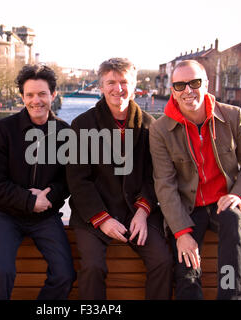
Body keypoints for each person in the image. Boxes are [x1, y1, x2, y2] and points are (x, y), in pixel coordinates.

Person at [149, 59, 241, 300]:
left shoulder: (232, 116)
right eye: (180, 85)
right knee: (186, 271)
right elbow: (165, 184)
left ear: (207, 84)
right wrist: (181, 232)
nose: (187, 91)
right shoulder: (160, 130)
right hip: (188, 209)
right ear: (173, 91)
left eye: (194, 82)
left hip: (225, 202)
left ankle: (231, 297)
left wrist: (239, 193)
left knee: (234, 219)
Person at [66, 57, 173, 300]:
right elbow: (78, 180)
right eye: (111, 82)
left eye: (124, 82)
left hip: (136, 212)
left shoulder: (149, 125)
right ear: (101, 86)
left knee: (162, 262)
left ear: (134, 85)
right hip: (93, 214)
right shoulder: (82, 125)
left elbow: (154, 175)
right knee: (93, 267)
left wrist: (143, 211)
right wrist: (102, 219)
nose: (118, 88)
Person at [0, 64, 76, 300]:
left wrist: (49, 197)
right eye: (30, 95)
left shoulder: (65, 132)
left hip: (46, 216)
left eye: (42, 94)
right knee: (1, 273)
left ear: (53, 95)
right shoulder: (4, 129)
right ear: (22, 97)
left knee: (65, 274)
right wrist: (28, 200)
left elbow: (68, 180)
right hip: (7, 215)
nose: (37, 101)